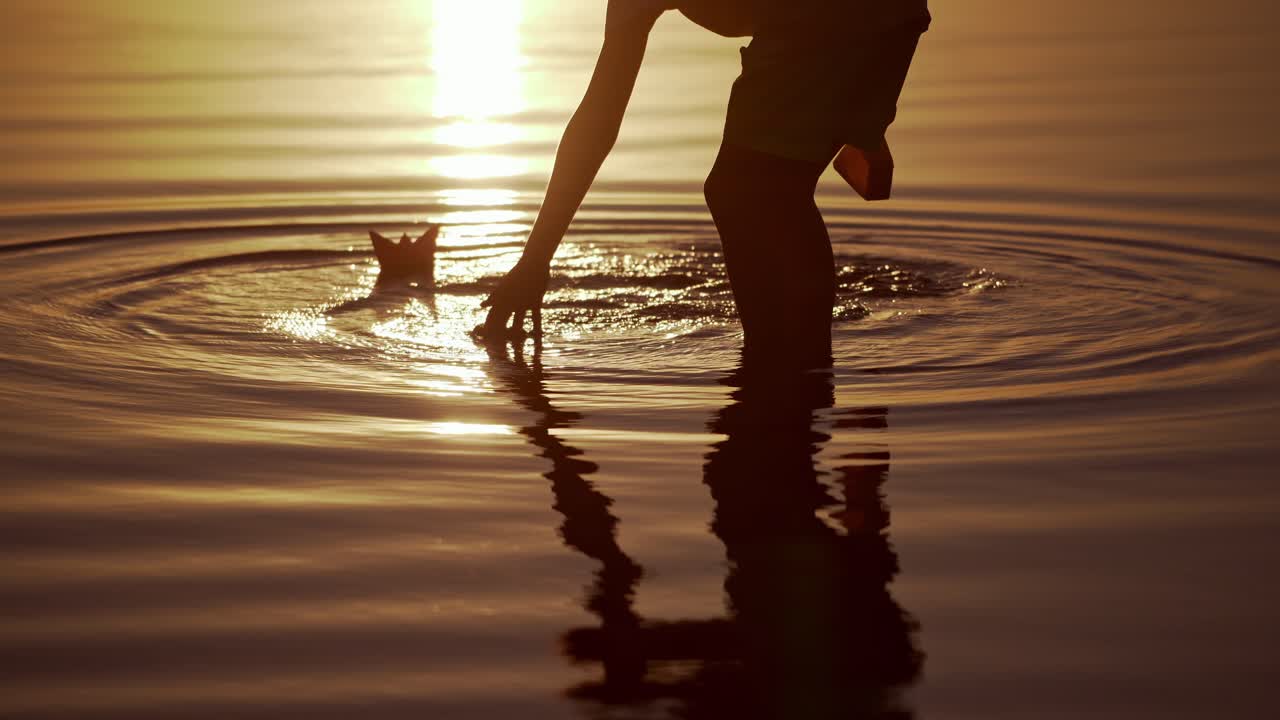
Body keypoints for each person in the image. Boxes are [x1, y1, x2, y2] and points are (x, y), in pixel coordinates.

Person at [481, 0, 930, 368]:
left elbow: (598, 121)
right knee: (764, 189)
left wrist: (536, 258)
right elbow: (599, 121)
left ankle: (789, 374)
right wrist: (535, 260)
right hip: (883, 20)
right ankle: (800, 375)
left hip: (834, 20)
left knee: (745, 188)